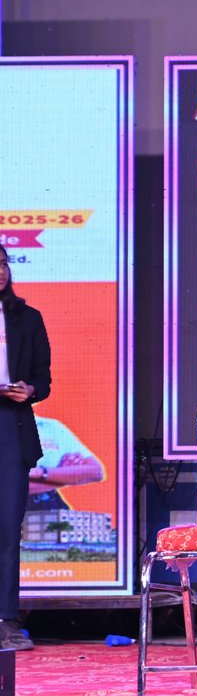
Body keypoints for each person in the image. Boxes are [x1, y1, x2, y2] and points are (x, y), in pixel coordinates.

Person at [0, 244, 50, 651]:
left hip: (10, 427)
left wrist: (30, 390)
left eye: (2, 264)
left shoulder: (28, 318)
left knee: (6, 529)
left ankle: (7, 621)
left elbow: (43, 379)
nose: (0, 271)